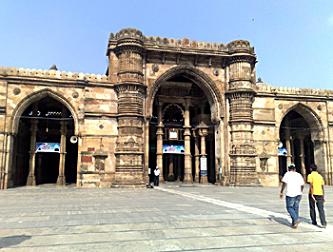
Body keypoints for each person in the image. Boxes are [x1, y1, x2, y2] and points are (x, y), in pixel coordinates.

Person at [280, 164, 305, 228]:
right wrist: (301, 191)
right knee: (296, 208)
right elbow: (302, 184)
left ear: (288, 169)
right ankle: (294, 224)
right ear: (295, 169)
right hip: (298, 194)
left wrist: (281, 192)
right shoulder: (298, 174)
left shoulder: (287, 174)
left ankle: (296, 219)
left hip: (290, 194)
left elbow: (284, 183)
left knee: (289, 207)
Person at [307, 164, 327, 228]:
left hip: (313, 194)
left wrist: (311, 193)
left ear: (310, 169)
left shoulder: (310, 175)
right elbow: (322, 186)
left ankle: (314, 221)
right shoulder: (320, 176)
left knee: (312, 208)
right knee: (321, 209)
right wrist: (323, 195)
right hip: (320, 193)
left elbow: (311, 185)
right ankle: (323, 223)